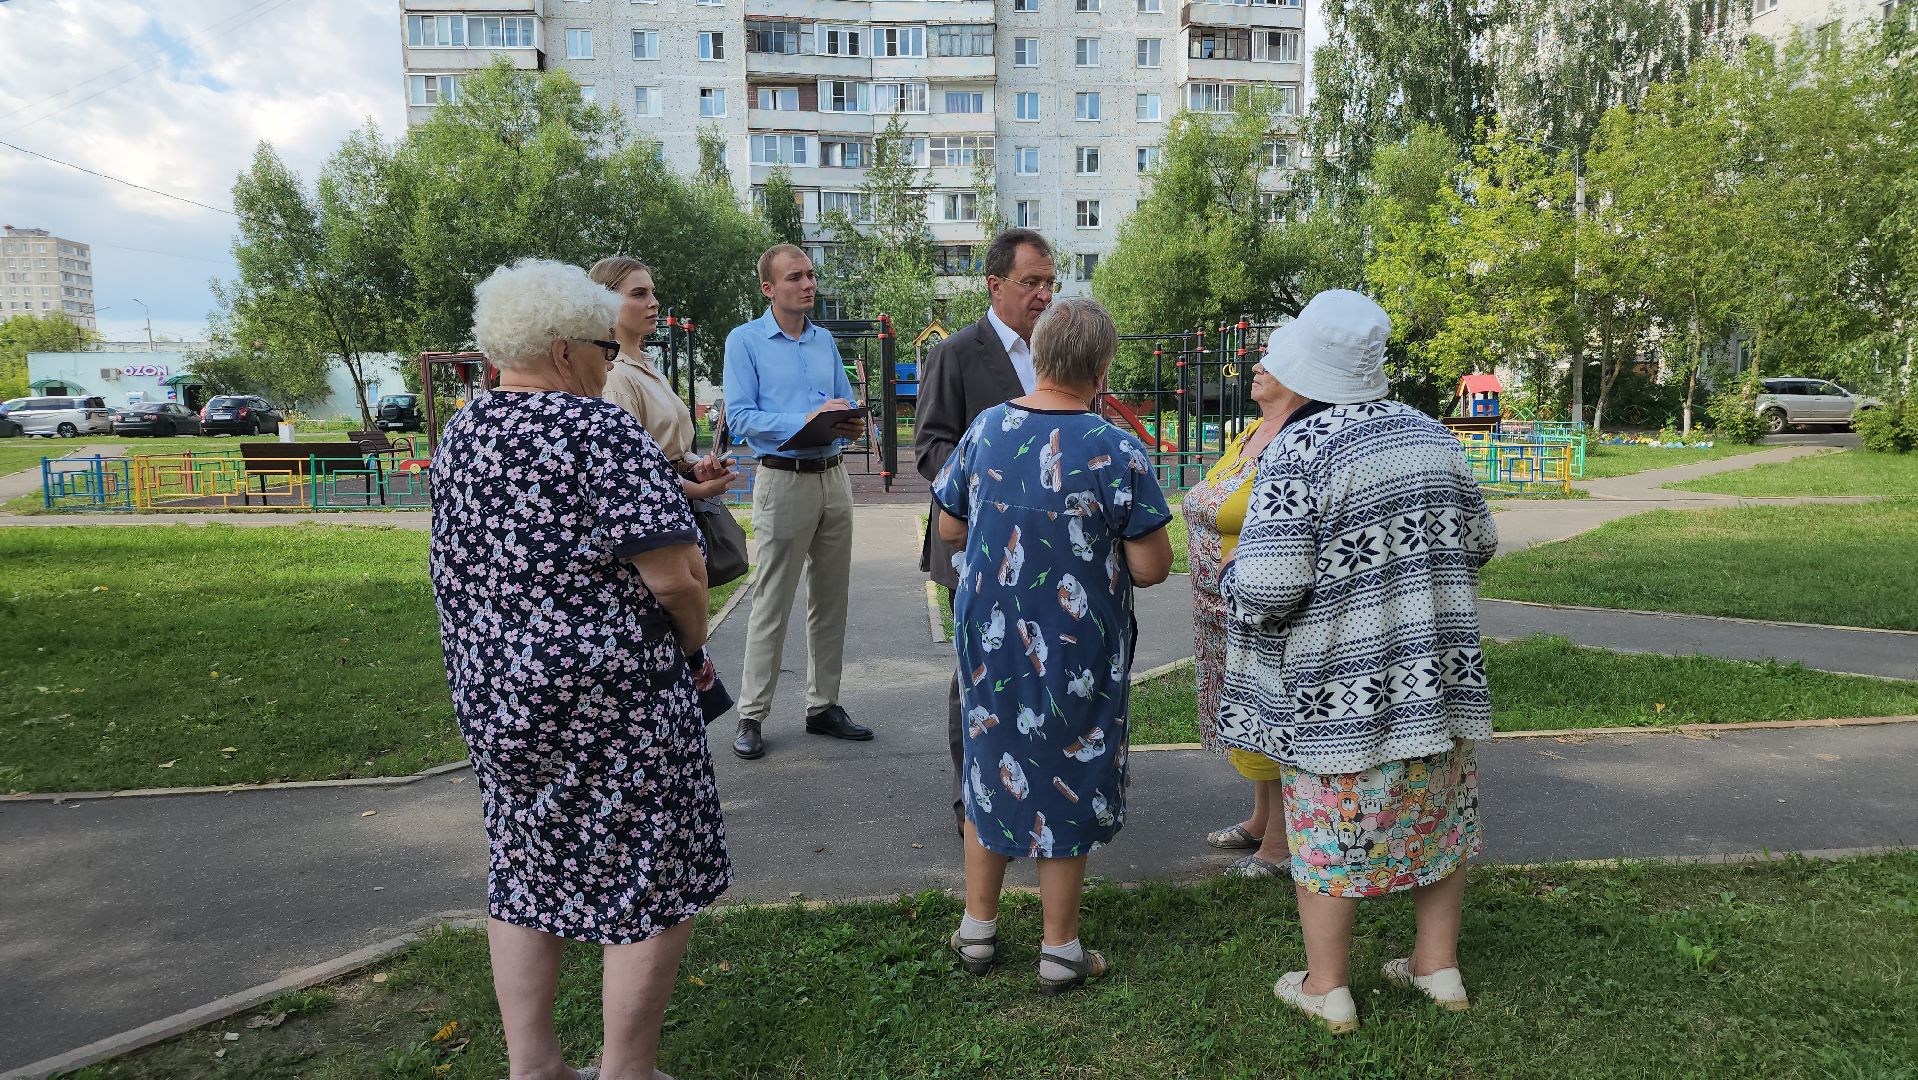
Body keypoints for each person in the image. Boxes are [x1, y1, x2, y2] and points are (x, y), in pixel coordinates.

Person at [429, 258, 730, 1080]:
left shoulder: (465, 431)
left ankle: (535, 1067)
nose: (609, 360)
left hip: (497, 697)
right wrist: (695, 644)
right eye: (602, 345)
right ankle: (625, 1071)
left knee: (526, 867)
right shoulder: (596, 429)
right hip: (614, 701)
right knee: (649, 876)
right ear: (564, 350)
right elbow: (675, 579)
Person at [1217, 290, 1499, 1034]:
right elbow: (1480, 542)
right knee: (1439, 817)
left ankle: (1327, 986)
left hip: (1335, 696)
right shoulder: (1430, 434)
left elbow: (1271, 588)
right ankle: (1438, 967)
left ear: (1306, 369)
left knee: (1326, 831)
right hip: (1434, 681)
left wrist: (1231, 574)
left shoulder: (1299, 450)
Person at [932, 297, 1174, 994]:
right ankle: (1059, 947)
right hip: (1076, 645)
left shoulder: (984, 431)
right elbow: (1151, 565)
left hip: (989, 639)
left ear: (1036, 357)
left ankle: (978, 929)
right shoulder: (1116, 447)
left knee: (989, 757)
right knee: (1069, 763)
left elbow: (949, 530)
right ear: (1102, 368)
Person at [915, 227, 1058, 832]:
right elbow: (930, 447)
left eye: (1051, 282)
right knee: (978, 673)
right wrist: (995, 492)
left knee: (1044, 663)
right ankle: (970, 798)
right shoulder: (958, 352)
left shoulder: (1053, 351)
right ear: (995, 285)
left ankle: (1040, 784)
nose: (1044, 296)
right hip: (974, 542)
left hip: (1049, 548)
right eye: (1032, 283)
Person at [721, 244, 870, 760]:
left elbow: (844, 400)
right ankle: (751, 714)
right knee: (772, 602)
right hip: (782, 481)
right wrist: (803, 422)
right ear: (768, 288)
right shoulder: (745, 341)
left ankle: (823, 705)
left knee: (831, 600)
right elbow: (740, 419)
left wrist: (851, 419)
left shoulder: (824, 340)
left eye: (810, 275)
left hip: (834, 478)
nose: (808, 284)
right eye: (794, 277)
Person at [1183, 355, 1302, 878]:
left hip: (1257, 602)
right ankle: (1260, 819)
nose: (1256, 364)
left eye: (1273, 360)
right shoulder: (1253, 430)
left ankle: (1278, 845)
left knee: (1266, 711)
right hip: (1217, 604)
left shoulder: (1298, 438)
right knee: (1244, 712)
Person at [589, 255, 738, 502]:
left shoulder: (646, 366)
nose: (654, 303)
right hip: (655, 510)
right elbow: (630, 468)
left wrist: (696, 467)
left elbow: (670, 451)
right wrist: (698, 490)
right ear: (606, 302)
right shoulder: (614, 374)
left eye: (652, 292)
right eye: (639, 294)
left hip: (673, 499)